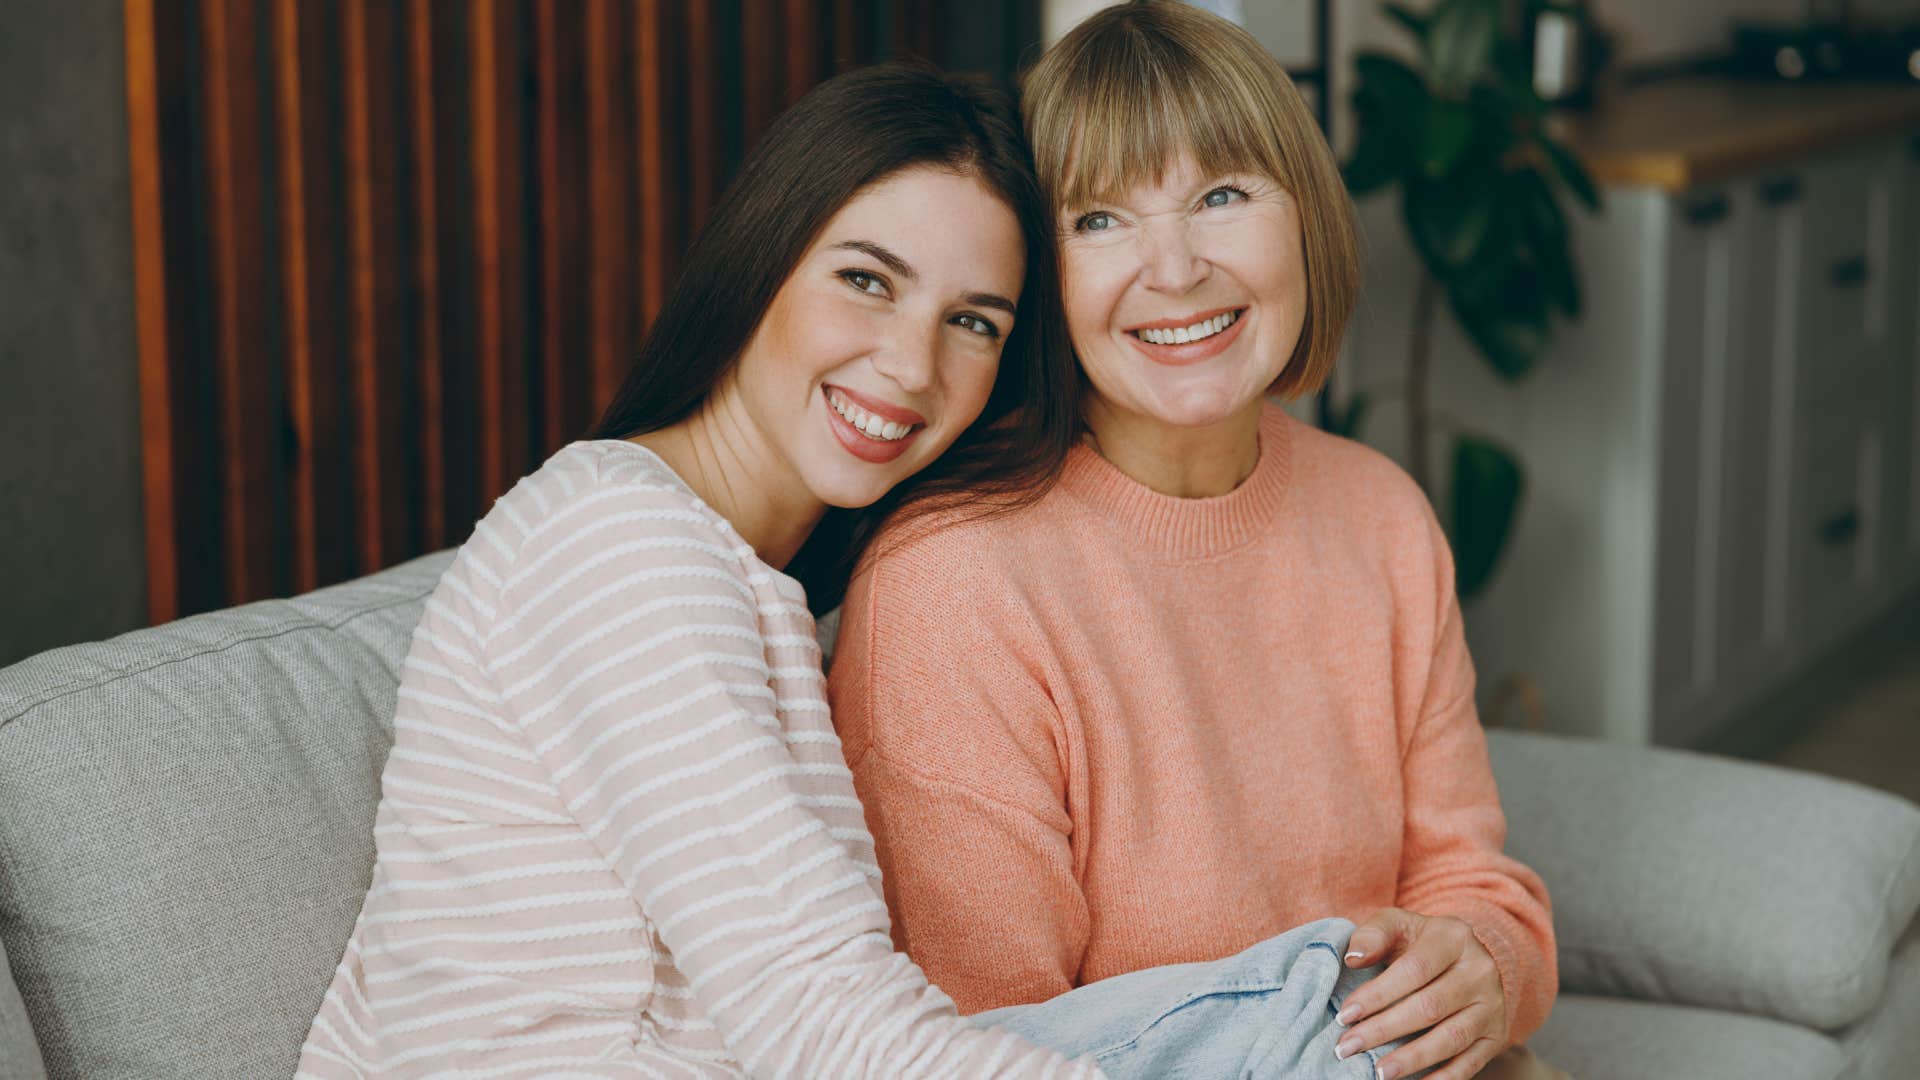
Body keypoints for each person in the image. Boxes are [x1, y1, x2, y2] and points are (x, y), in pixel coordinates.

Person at [295, 57, 1398, 1080]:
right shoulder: (617, 549)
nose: (912, 364)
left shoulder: (750, 580)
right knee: (1314, 1015)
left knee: (1327, 1014)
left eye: (972, 321)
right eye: (868, 281)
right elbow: (824, 1018)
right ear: (761, 257)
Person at [828, 6, 1564, 1080]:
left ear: (1304, 216)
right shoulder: (952, 584)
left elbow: (1469, 880)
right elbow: (991, 1051)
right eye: (1099, 220)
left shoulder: (1382, 516)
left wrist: (1483, 966)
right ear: (1036, 275)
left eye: (1219, 195)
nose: (1173, 270)